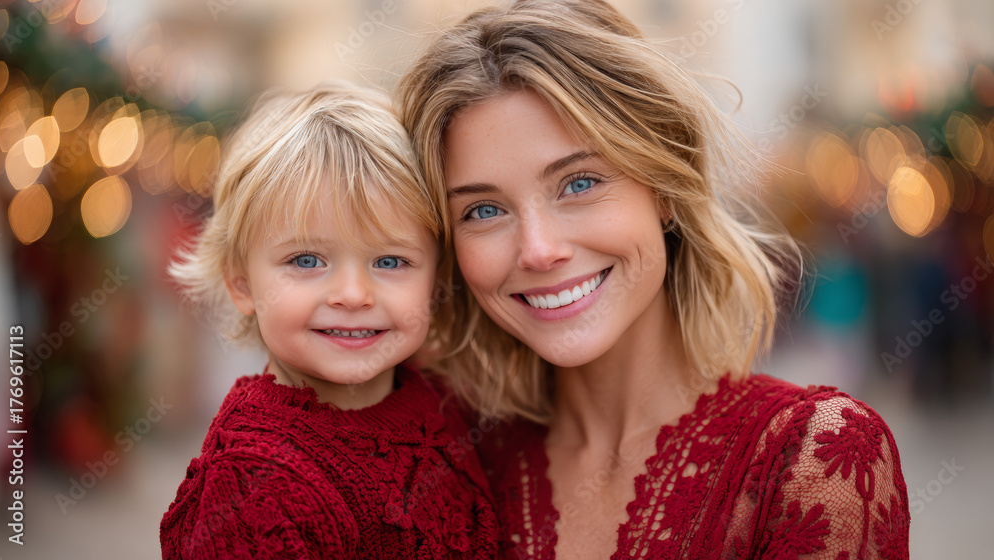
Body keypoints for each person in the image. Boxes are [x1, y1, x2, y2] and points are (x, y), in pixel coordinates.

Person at [397, 1, 910, 558]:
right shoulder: (454, 458)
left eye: (579, 182)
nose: (539, 250)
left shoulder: (812, 457)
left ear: (664, 188)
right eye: (483, 211)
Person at [159, 83, 498, 559]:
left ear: (437, 280)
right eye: (306, 261)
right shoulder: (256, 486)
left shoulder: (436, 400)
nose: (353, 295)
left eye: (390, 262)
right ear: (240, 283)